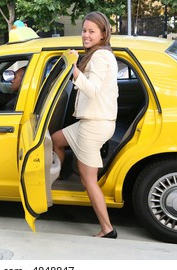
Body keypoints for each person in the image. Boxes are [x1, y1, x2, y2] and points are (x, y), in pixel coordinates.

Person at [51, 11, 119, 239]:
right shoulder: (98, 54)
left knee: (88, 179)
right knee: (55, 140)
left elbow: (92, 89)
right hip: (90, 122)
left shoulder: (100, 57)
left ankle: (107, 228)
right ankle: (56, 178)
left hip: (94, 124)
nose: (86, 35)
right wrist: (76, 62)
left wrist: (74, 70)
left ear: (103, 34)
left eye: (91, 31)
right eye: (84, 30)